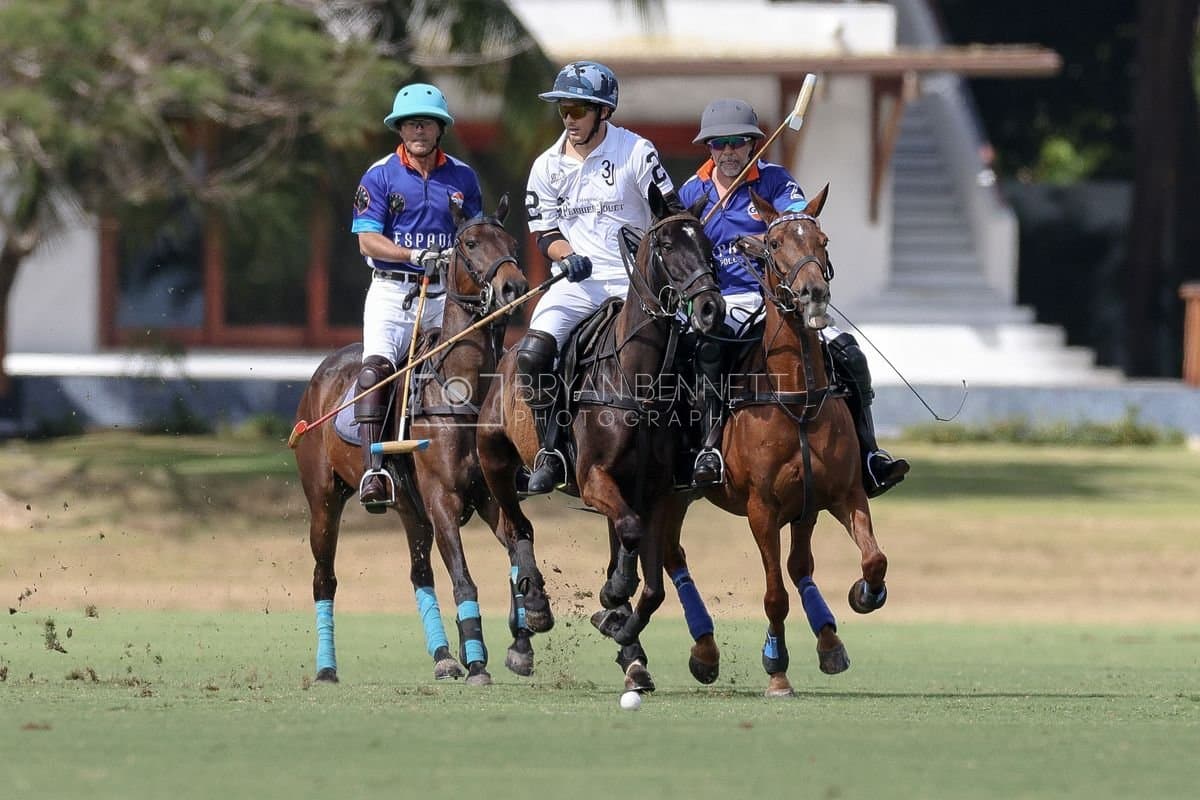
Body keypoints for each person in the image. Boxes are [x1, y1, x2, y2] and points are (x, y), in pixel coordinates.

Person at [677, 98, 909, 497]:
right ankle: (708, 449)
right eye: (719, 143)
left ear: (752, 144)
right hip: (722, 300)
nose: (729, 151)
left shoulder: (775, 180)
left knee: (850, 354)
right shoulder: (691, 191)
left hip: (777, 297)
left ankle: (870, 454)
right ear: (708, 148)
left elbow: (799, 221)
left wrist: (762, 240)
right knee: (700, 354)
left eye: (737, 142)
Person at [516, 60, 684, 494]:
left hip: (638, 285)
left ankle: (695, 446)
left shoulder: (637, 152)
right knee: (533, 354)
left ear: (603, 111)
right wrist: (567, 255)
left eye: (577, 110)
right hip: (578, 284)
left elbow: (670, 213)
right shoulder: (546, 166)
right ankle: (551, 450)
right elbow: (545, 233)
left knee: (693, 346)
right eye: (563, 110)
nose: (569, 119)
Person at [349, 82, 483, 511]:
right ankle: (375, 471)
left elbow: (477, 237)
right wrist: (411, 255)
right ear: (400, 129)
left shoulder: (462, 177)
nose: (418, 130)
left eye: (426, 123)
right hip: (392, 292)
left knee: (477, 367)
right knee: (375, 373)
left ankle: (492, 458)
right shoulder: (380, 175)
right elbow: (367, 240)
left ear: (440, 128)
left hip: (445, 297)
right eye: (409, 124)